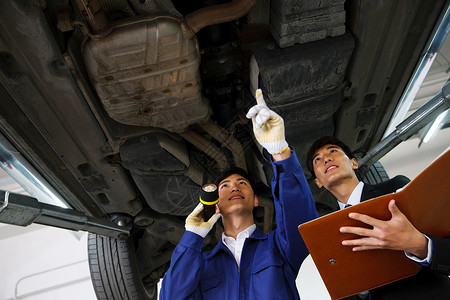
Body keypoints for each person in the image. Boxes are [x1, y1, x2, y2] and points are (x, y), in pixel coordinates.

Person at [160, 90, 319, 300]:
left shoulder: (278, 247)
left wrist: (280, 151)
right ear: (216, 204)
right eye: (224, 186)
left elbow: (298, 218)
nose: (234, 187)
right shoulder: (203, 264)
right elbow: (171, 297)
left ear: (255, 200)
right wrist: (193, 236)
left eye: (242, 183)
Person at [306, 136, 450, 299]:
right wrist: (359, 289)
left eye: (333, 151)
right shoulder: (326, 233)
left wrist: (419, 245)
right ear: (318, 182)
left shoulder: (397, 188)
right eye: (317, 160)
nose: (326, 159)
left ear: (354, 163)